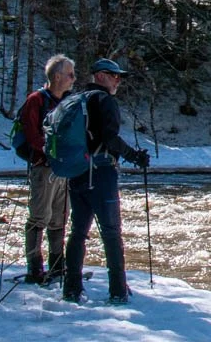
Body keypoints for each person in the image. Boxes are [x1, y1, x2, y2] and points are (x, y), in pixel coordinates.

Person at [64, 57, 150, 304]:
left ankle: (71, 289)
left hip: (77, 172)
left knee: (78, 232)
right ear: (100, 76)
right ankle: (118, 291)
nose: (118, 81)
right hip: (101, 173)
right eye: (114, 76)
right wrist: (134, 156)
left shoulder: (76, 100)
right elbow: (109, 138)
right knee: (112, 233)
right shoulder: (105, 101)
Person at [19, 55, 75, 285]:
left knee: (60, 217)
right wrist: (50, 153)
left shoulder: (69, 101)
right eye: (70, 74)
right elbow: (31, 135)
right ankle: (34, 268)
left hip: (64, 169)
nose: (73, 79)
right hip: (43, 168)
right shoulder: (36, 101)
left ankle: (57, 265)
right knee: (39, 216)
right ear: (57, 76)